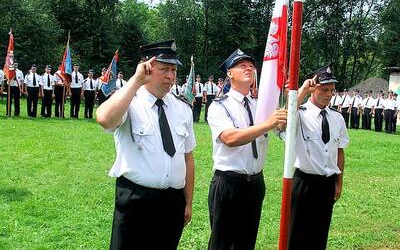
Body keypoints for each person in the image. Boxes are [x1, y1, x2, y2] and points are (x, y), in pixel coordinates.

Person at [96, 40, 195, 250]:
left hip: (172, 202)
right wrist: (135, 80)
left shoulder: (182, 108)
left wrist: (187, 201)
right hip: (136, 200)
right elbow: (104, 118)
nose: (171, 76)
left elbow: (187, 157)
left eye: (174, 70)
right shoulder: (130, 102)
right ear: (147, 68)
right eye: (164, 69)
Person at [207, 49, 287, 250]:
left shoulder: (258, 105)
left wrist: (297, 92)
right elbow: (230, 138)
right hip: (229, 182)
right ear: (229, 73)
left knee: (246, 242)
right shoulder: (219, 106)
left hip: (255, 183)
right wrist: (268, 124)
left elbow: (279, 125)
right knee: (222, 243)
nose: (249, 68)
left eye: (251, 65)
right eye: (242, 65)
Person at [288, 65, 349, 250]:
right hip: (304, 183)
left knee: (319, 235)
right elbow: (284, 117)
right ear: (314, 89)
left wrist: (339, 182)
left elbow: (339, 151)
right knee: (296, 234)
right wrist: (303, 90)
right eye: (324, 89)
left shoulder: (337, 118)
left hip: (326, 184)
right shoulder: (299, 113)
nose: (329, 94)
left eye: (332, 90)